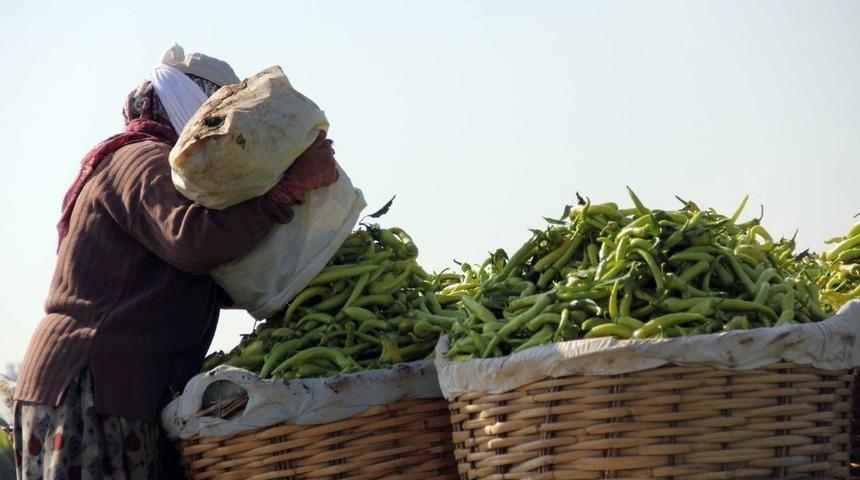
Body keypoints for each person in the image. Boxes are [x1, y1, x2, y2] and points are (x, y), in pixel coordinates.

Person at [12, 45, 338, 479]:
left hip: (119, 389)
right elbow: (193, 242)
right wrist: (286, 190)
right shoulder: (139, 160)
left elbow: (210, 273)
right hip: (94, 385)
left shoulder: (169, 176)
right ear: (193, 108)